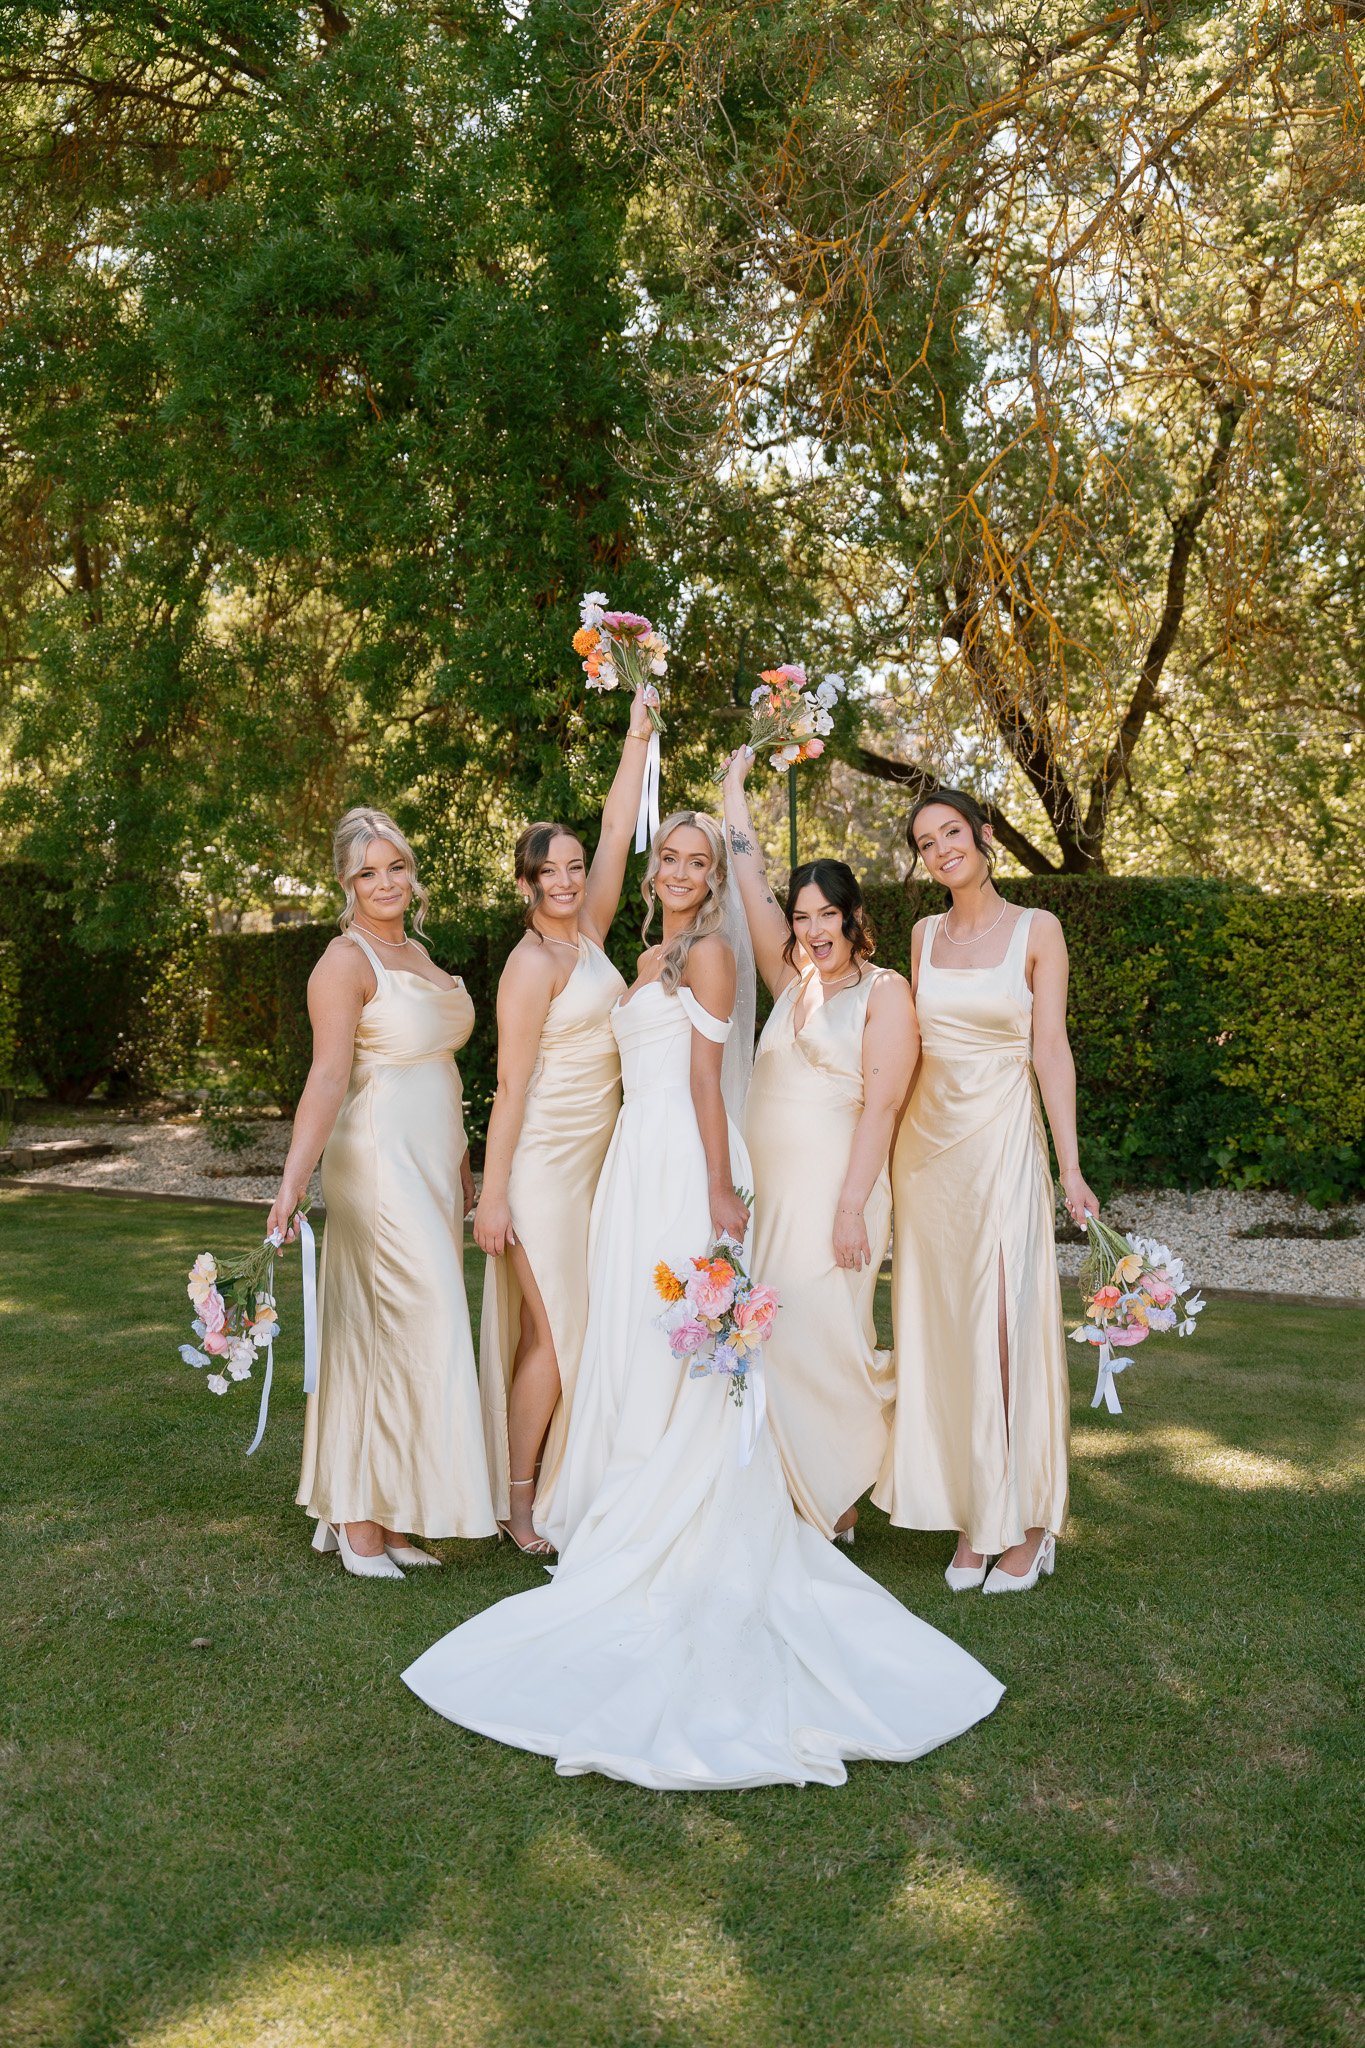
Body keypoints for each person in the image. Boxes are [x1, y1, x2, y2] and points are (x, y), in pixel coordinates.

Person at [401, 812, 1004, 1789]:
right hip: (630, 1162)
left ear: (715, 877)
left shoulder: (716, 954)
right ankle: (606, 1484)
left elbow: (700, 1082)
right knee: (630, 1333)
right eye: (670, 856)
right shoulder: (643, 953)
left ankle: (674, 1488)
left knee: (675, 1333)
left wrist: (721, 1188)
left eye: (699, 860)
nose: (683, 870)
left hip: (682, 1158)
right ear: (653, 869)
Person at [873, 789, 1100, 1594]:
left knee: (1005, 1324)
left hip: (1002, 1138)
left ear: (984, 835)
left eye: (950, 834)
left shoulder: (1037, 930)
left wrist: (1069, 1168)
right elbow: (904, 1052)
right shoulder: (921, 934)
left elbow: (1051, 1052)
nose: (939, 850)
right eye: (924, 842)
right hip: (926, 1156)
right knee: (943, 1330)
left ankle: (1028, 1522)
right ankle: (974, 1513)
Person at [267, 808, 495, 1580]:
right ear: (345, 882)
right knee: (388, 1326)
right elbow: (328, 1076)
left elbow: (440, 1067)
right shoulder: (344, 959)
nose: (385, 882)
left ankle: (388, 1514)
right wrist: (293, 1181)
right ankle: (354, 1516)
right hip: (376, 1162)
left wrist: (462, 1159)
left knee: (409, 1335)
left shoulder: (418, 952)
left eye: (394, 865)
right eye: (367, 871)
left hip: (431, 1164)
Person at [721, 749, 916, 1542]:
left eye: (823, 916)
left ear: (850, 916)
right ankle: (790, 1490)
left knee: (830, 1337)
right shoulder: (789, 982)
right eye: (799, 918)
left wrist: (847, 1209)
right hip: (771, 1196)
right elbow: (745, 876)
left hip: (841, 1192)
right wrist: (733, 787)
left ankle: (838, 1498)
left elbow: (885, 1105)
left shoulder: (885, 991)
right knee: (778, 1333)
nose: (809, 930)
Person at [474, 690, 653, 1555]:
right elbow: (510, 1089)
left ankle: (568, 1483)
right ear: (526, 883)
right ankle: (516, 1507)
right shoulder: (529, 963)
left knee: (588, 1327)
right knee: (553, 1333)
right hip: (542, 1167)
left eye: (575, 865)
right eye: (552, 871)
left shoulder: (589, 936)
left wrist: (636, 733)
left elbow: (621, 830)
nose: (571, 877)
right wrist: (493, 1196)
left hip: (599, 1163)